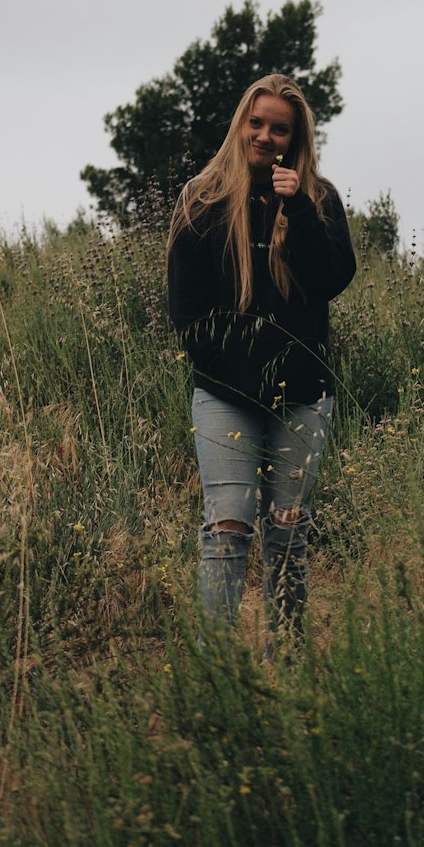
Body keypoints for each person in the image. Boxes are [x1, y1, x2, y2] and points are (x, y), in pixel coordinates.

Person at [166, 73, 356, 649]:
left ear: (296, 137)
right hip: (225, 394)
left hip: (302, 395)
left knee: (289, 532)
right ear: (241, 124)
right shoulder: (201, 199)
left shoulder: (319, 200)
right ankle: (214, 677)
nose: (266, 136)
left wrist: (295, 210)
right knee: (227, 528)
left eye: (280, 128)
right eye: (258, 123)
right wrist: (249, 373)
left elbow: (331, 280)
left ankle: (289, 663)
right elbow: (188, 316)